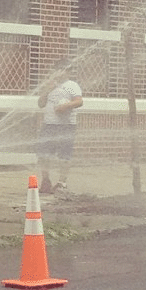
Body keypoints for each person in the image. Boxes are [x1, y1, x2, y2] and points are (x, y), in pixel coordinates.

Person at [37, 59, 83, 196]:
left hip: (66, 126)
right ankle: (45, 181)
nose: (59, 73)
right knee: (43, 153)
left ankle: (62, 183)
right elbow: (40, 104)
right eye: (57, 70)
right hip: (49, 124)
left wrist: (65, 106)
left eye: (62, 70)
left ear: (67, 72)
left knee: (64, 155)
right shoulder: (50, 86)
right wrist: (47, 89)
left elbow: (79, 101)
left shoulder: (72, 85)